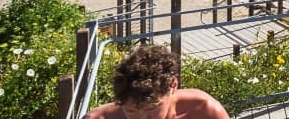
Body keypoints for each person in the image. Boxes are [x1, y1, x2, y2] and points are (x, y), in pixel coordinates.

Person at [85, 45, 228, 119]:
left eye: (151, 109)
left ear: (173, 86)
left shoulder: (205, 112)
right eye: (131, 111)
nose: (142, 118)